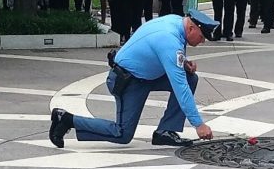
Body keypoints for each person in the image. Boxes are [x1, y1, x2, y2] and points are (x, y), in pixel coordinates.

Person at [49, 9, 219, 148]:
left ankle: (165, 132)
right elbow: (179, 86)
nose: (202, 41)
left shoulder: (176, 22)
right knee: (122, 134)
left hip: (146, 75)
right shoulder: (169, 39)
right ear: (191, 28)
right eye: (202, 37)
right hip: (127, 81)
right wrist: (198, 125)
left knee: (191, 78)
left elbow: (163, 55)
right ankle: (66, 119)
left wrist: (184, 64)